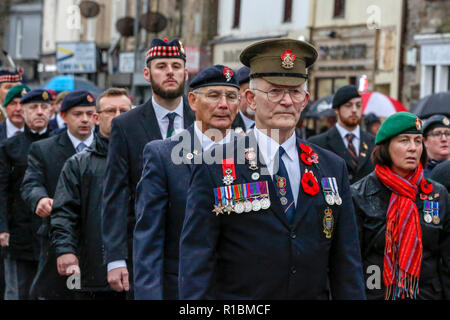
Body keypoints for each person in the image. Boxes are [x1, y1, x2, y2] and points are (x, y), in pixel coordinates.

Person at [179, 38, 366, 300]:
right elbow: (197, 261)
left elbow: (346, 262)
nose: (287, 101)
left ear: (305, 100)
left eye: (295, 92)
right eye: (275, 91)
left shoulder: (332, 167)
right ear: (251, 99)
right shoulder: (216, 166)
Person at [134, 65, 240, 300]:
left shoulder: (253, 156)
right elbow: (149, 240)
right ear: (192, 101)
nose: (224, 104)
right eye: (213, 95)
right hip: (181, 290)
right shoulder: (163, 155)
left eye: (231, 96)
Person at [102, 38, 195, 297]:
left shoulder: (202, 120)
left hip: (192, 246)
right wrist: (115, 257)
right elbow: (115, 194)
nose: (169, 72)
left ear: (186, 73)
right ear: (147, 73)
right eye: (161, 66)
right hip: (143, 246)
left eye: (176, 66)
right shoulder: (126, 125)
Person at [351, 112, 450, 300]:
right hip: (375, 293)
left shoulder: (437, 194)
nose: (413, 148)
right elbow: (349, 261)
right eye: (404, 141)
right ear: (386, 146)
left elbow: (446, 260)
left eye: (418, 141)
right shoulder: (359, 194)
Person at [50, 88, 132, 300]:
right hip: (91, 272)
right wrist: (65, 250)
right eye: (110, 111)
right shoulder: (78, 164)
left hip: (137, 269)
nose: (118, 117)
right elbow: (64, 213)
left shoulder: (145, 158)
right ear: (97, 118)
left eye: (124, 111)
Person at [21, 90, 97, 300]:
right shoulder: (44, 149)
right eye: (77, 114)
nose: (84, 119)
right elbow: (31, 183)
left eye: (90, 114)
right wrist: (40, 199)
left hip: (98, 240)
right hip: (59, 239)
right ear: (63, 116)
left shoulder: (110, 148)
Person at [0, 89, 51, 300]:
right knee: (18, 291)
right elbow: (2, 191)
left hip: (52, 234)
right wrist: (2, 228)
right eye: (33, 108)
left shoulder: (59, 143)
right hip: (19, 232)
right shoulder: (9, 147)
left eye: (44, 108)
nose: (39, 113)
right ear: (24, 111)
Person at [308, 85, 375, 184]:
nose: (354, 110)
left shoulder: (374, 142)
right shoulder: (317, 144)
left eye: (358, 105)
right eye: (348, 105)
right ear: (336, 109)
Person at [232, 66, 255, 135]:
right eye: (246, 91)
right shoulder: (226, 125)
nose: (252, 97)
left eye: (256, 90)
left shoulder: (274, 125)